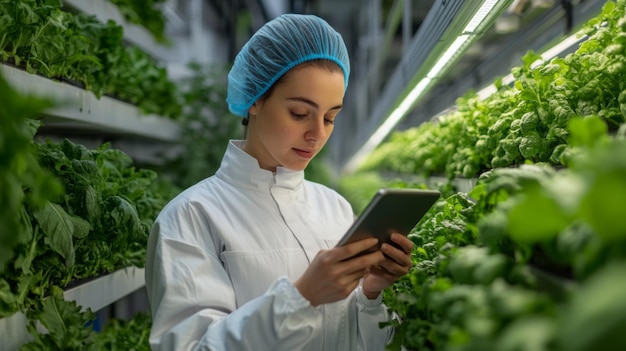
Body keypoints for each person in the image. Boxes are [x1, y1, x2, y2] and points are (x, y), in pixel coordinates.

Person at [145, 13, 414, 351]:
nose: (318, 134)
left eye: (330, 117)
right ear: (256, 98)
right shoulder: (191, 217)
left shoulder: (335, 207)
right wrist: (301, 298)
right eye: (300, 113)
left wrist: (371, 294)